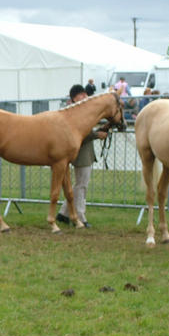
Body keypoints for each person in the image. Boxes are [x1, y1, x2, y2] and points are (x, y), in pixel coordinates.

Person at [56, 84, 108, 228]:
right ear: (74, 97)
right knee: (81, 186)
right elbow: (79, 135)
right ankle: (80, 216)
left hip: (83, 152)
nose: (85, 97)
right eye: (81, 94)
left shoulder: (77, 111)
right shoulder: (73, 113)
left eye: (85, 94)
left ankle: (63, 214)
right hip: (81, 154)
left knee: (78, 185)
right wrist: (97, 134)